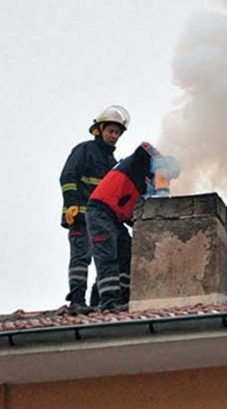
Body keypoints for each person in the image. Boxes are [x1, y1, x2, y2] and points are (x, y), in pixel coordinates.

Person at [86, 142, 180, 313]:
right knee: (107, 257)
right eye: (169, 174)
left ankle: (117, 299)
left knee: (126, 254)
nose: (167, 179)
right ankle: (109, 303)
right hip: (100, 210)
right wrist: (161, 166)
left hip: (115, 218)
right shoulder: (140, 163)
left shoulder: (145, 185)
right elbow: (144, 146)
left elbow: (135, 214)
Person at [59, 105, 130, 315]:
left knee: (121, 251)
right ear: (99, 130)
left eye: (117, 132)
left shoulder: (113, 162)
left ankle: (105, 299)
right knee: (82, 257)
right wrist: (71, 204)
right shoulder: (84, 150)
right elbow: (68, 177)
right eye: (110, 131)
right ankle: (77, 302)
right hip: (80, 216)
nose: (114, 136)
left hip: (106, 219)